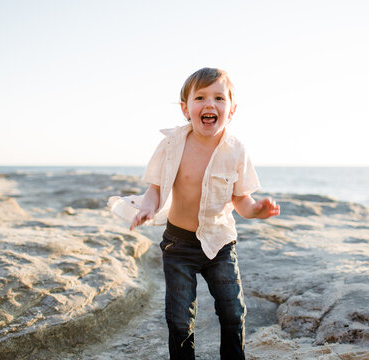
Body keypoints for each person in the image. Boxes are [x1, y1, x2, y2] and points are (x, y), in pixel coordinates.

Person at [108, 67, 280, 360]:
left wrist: (258, 211)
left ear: (232, 109)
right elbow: (156, 189)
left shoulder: (237, 150)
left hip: (220, 244)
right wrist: (148, 207)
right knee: (179, 319)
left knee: (233, 311)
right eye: (200, 97)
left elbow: (241, 199)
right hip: (179, 245)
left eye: (219, 98)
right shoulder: (172, 145)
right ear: (185, 108)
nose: (209, 104)